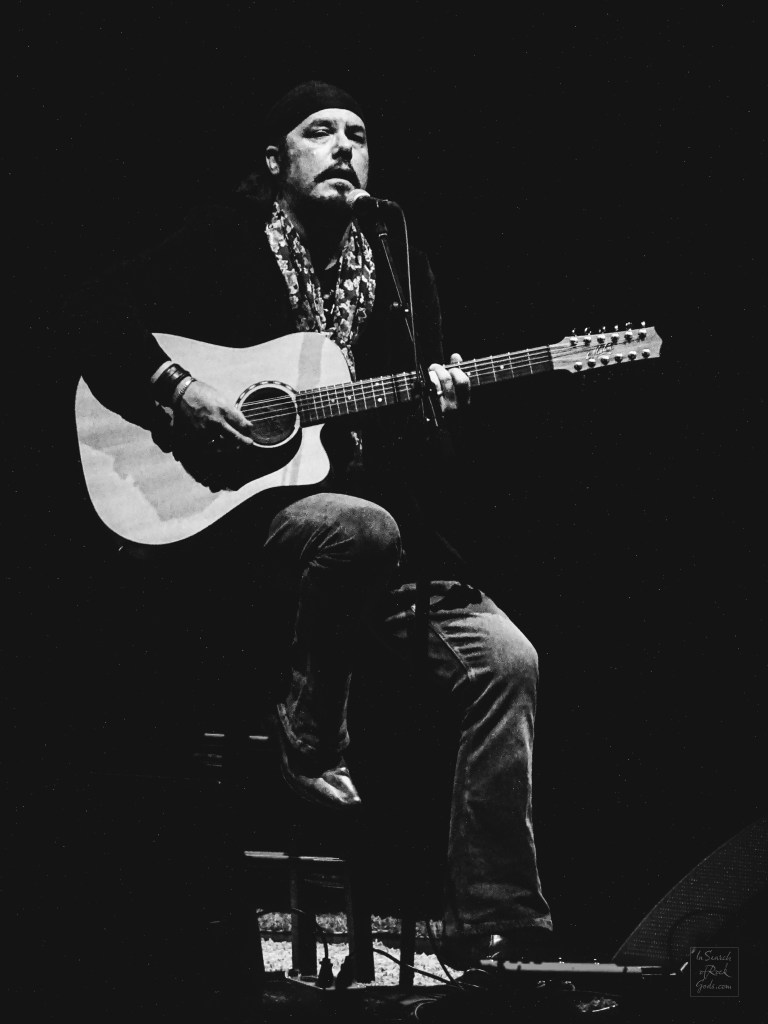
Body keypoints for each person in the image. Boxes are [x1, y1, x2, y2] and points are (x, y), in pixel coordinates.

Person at [66, 81, 616, 1017]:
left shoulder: (400, 266)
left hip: (371, 539)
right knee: (359, 526)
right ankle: (308, 726)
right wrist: (180, 391)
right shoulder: (224, 240)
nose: (343, 145)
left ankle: (502, 931)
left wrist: (435, 408)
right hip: (244, 537)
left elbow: (415, 458)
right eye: (318, 131)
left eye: (358, 134)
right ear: (274, 162)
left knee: (508, 660)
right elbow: (91, 312)